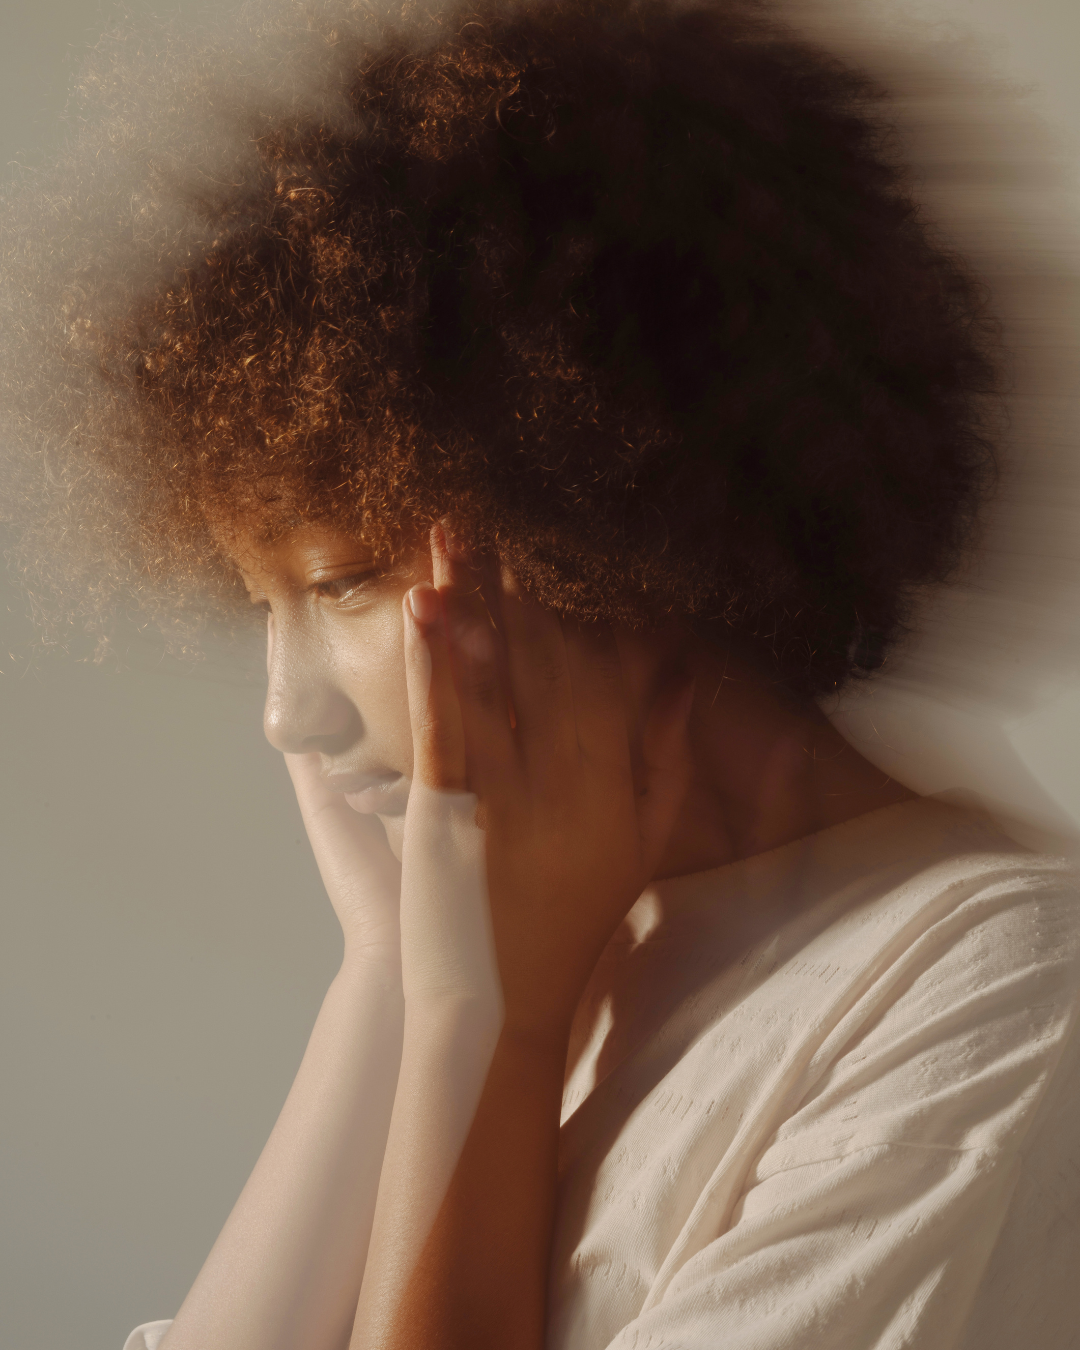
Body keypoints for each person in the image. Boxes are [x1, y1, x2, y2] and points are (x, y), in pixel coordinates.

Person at [1, 0, 1078, 1347]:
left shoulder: (993, 991)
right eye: (260, 605)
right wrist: (389, 982)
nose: (286, 713)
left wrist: (487, 1029)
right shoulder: (553, 932)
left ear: (607, 527)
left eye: (343, 582)